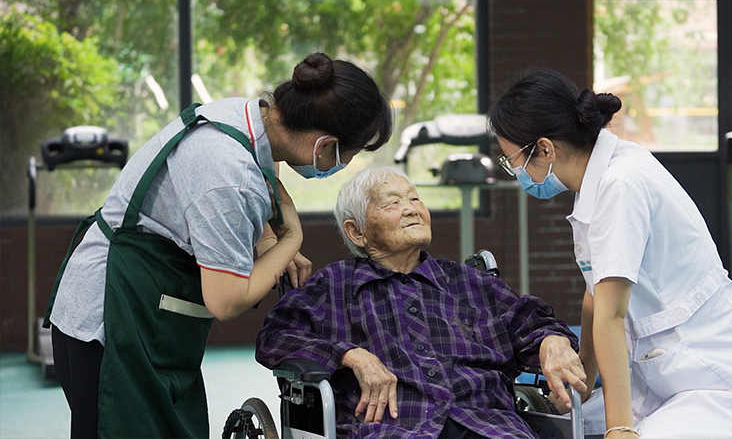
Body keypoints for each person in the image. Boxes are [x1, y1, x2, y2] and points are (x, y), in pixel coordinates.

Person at [41, 52, 393, 439]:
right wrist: (290, 239)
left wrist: (267, 240)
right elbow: (226, 300)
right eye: (350, 154)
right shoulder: (228, 175)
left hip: (147, 310)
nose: (345, 164)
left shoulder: (252, 117)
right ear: (324, 145)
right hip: (107, 320)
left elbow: (266, 171)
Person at [488, 68, 732, 439]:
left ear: (546, 149)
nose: (515, 171)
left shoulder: (622, 183)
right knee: (548, 427)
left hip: (722, 388)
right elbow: (595, 296)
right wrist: (581, 389)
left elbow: (611, 315)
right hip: (667, 382)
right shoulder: (597, 180)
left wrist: (619, 428)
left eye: (512, 160)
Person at [256, 166, 586, 439]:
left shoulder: (468, 282)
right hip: (395, 428)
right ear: (357, 232)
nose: (413, 208)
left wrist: (552, 340)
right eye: (392, 202)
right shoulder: (334, 286)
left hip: (488, 425)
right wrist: (350, 355)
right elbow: (275, 338)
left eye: (415, 199)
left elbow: (532, 321)